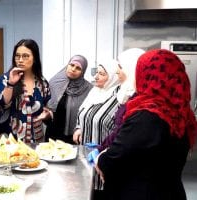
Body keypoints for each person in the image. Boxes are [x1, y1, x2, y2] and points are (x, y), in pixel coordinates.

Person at [96, 49, 197, 200]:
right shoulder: (183, 114)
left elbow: (112, 159)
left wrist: (101, 157)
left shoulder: (147, 116)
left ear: (149, 76)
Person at [0, 39, 51, 143]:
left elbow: (47, 107)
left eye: (25, 56)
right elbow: (2, 103)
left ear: (34, 58)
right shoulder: (5, 79)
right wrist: (11, 83)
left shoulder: (42, 83)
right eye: (17, 56)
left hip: (36, 140)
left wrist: (47, 114)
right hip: (10, 141)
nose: (20, 60)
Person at [100, 48, 145, 151]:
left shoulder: (137, 99)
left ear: (131, 68)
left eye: (120, 67)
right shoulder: (125, 92)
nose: (117, 71)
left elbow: (125, 134)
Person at [45, 55, 93, 143]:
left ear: (83, 72)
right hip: (52, 133)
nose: (73, 69)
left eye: (78, 68)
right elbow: (46, 106)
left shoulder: (88, 89)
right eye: (72, 65)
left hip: (73, 136)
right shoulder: (54, 82)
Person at [73, 60, 121, 145]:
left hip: (104, 154)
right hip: (85, 150)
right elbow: (84, 113)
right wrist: (79, 128)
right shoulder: (95, 92)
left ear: (113, 77)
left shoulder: (119, 98)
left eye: (101, 74)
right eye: (96, 72)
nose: (96, 77)